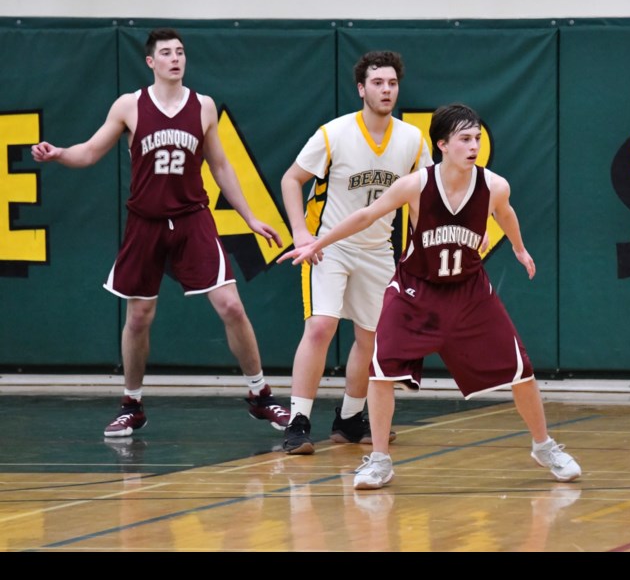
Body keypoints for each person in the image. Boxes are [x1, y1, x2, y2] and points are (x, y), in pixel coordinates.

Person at [279, 103, 582, 489]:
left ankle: (544, 446)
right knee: (383, 369)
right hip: (414, 291)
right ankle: (379, 460)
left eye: (477, 139)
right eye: (465, 139)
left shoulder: (494, 185)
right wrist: (318, 241)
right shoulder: (417, 185)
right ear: (442, 144)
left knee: (522, 371)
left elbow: (505, 213)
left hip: (470, 293)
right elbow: (366, 216)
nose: (474, 146)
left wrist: (520, 249)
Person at [30, 28, 290, 438]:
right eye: (166, 53)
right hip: (146, 222)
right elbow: (93, 150)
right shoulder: (129, 106)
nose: (175, 58)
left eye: (180, 52)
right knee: (138, 317)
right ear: (150, 62)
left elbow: (221, 166)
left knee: (232, 306)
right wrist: (60, 153)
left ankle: (261, 397)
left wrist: (250, 217)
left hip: (192, 218)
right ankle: (131, 404)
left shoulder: (202, 106)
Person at [279, 51, 432, 455]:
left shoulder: (413, 140)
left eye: (392, 83)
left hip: (378, 249)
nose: (386, 89)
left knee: (371, 338)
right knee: (321, 327)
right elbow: (291, 179)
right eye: (378, 83)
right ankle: (297, 422)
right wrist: (300, 234)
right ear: (361, 89)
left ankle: (349, 418)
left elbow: (421, 201)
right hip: (329, 246)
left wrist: (426, 248)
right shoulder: (334, 133)